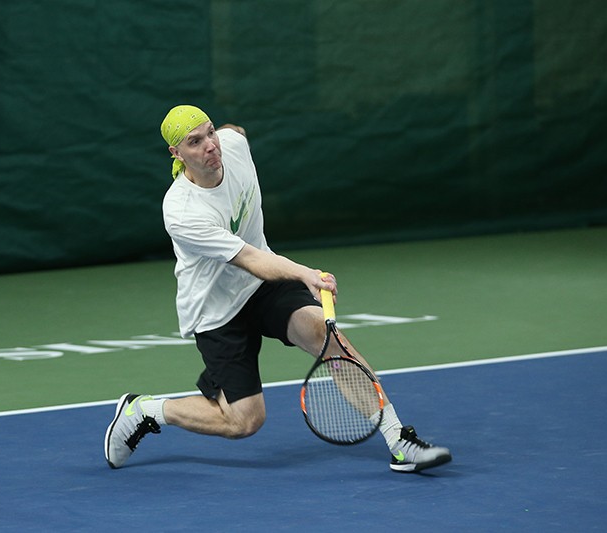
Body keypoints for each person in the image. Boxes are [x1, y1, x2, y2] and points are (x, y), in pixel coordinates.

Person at [104, 104, 452, 473]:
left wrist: (225, 132)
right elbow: (251, 258)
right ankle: (145, 410)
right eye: (195, 141)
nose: (210, 145)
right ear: (176, 154)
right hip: (216, 310)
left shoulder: (232, 144)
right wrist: (306, 275)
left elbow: (235, 131)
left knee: (329, 340)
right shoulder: (182, 211)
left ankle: (399, 441)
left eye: (210, 132)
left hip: (262, 288)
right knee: (245, 421)